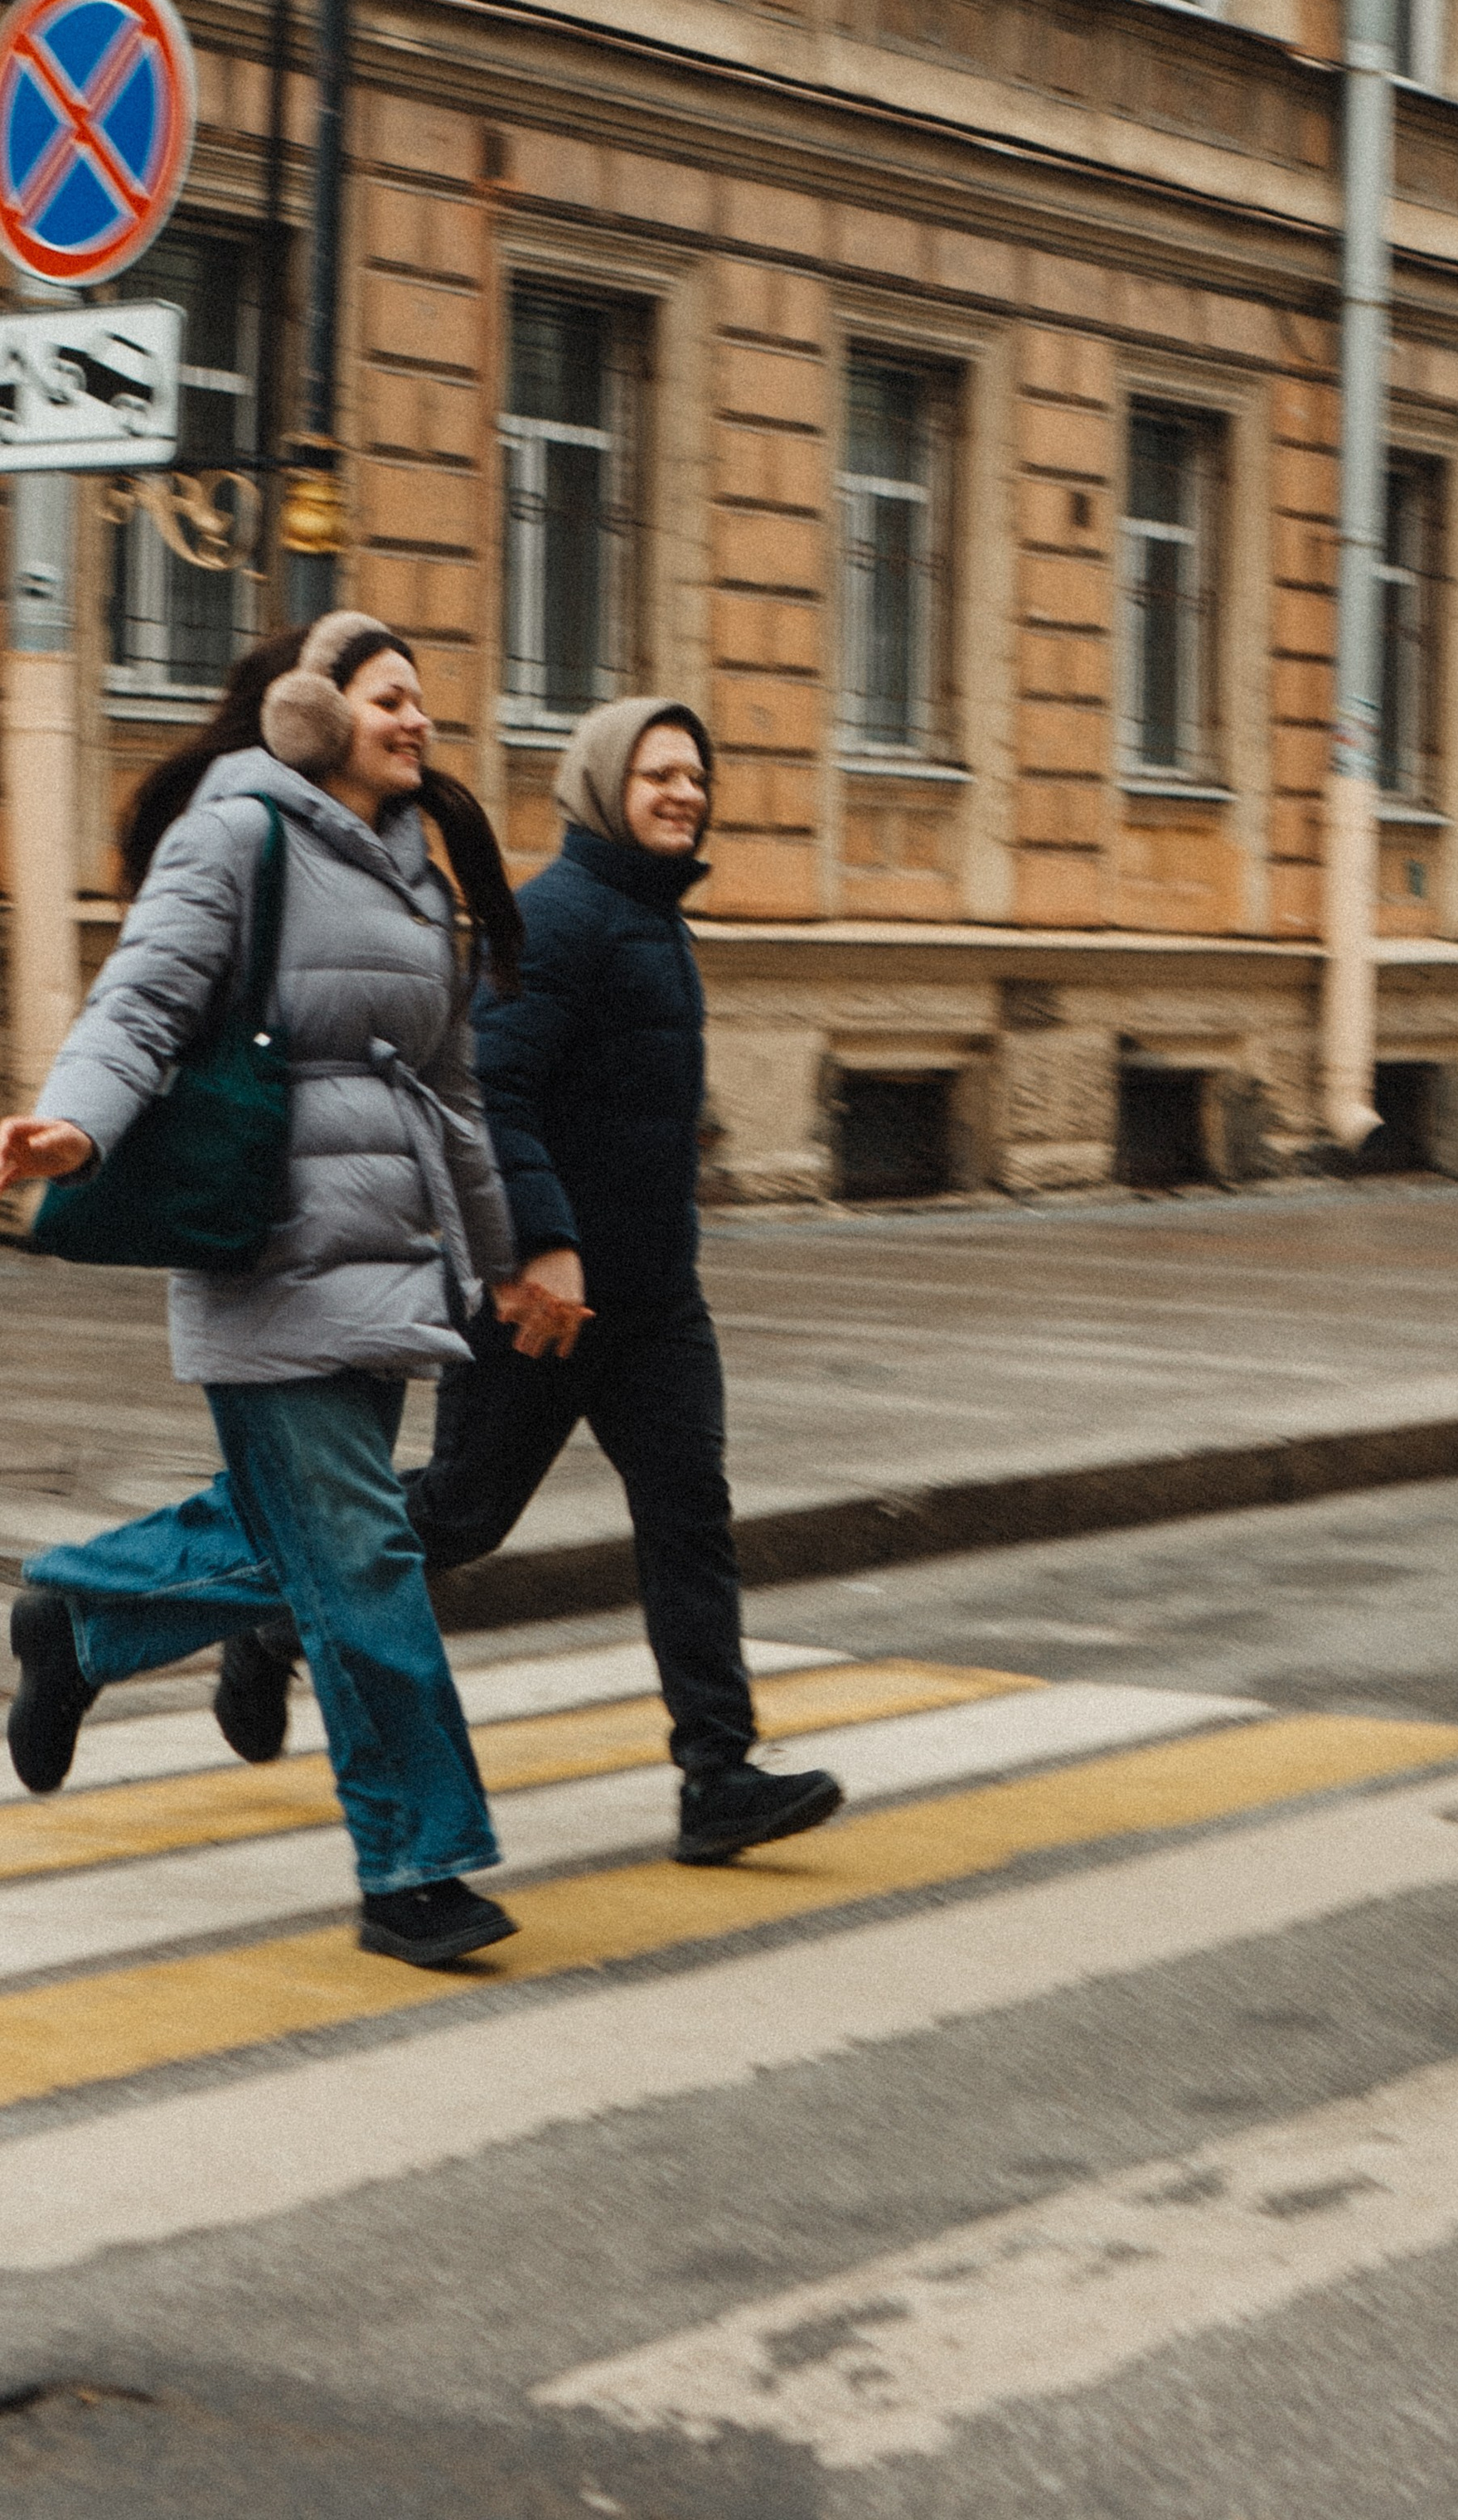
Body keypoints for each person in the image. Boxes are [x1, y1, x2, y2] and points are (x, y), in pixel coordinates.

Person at [2, 613, 576, 1968]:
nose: (417, 719)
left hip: (387, 1260)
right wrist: (73, 1127)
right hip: (264, 1245)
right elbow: (139, 1005)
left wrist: (499, 1258)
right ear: (308, 714)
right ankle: (414, 1865)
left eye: (422, 699)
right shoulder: (236, 832)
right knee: (365, 1560)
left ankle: (81, 1618)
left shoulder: (416, 881)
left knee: (314, 1538)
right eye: (387, 698)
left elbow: (453, 1092)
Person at [216, 694, 844, 1867]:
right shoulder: (556, 920)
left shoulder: (653, 921)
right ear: (604, 786)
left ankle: (718, 1774)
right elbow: (488, 1094)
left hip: (654, 1302)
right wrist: (536, 1246)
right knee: (458, 1513)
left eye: (695, 776)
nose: (683, 794)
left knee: (687, 1516)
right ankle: (267, 1621)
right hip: (540, 1298)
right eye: (658, 775)